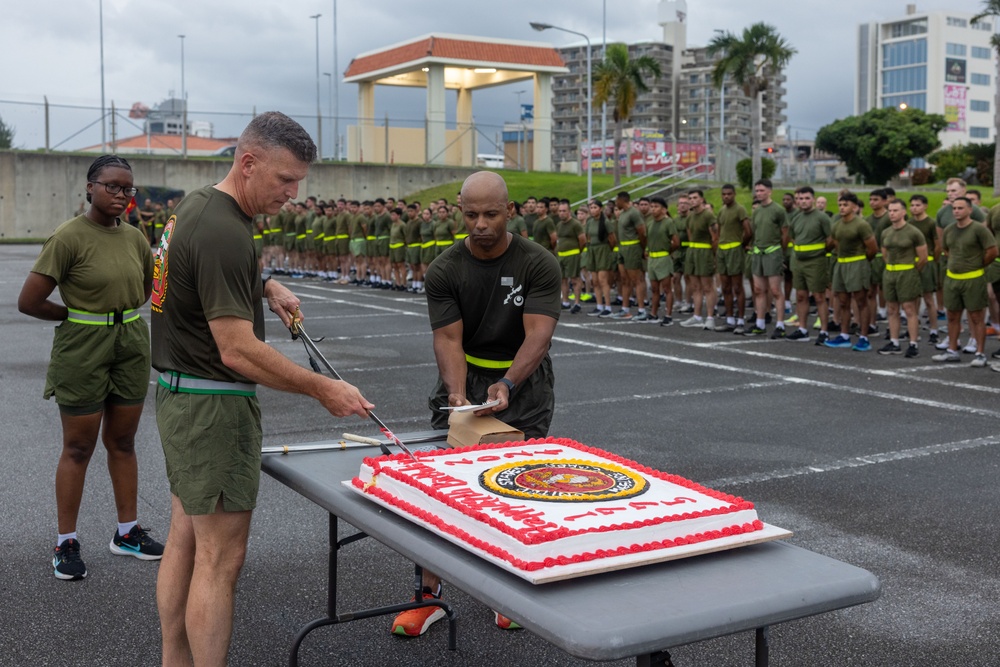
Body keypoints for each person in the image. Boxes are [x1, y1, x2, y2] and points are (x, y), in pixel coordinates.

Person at [150, 112, 372, 666]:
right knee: (220, 559)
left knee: (186, 537)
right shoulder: (226, 230)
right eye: (285, 180)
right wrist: (324, 388)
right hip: (212, 408)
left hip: (181, 394)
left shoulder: (199, 206)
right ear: (248, 163)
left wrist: (264, 283)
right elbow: (237, 349)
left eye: (298, 182)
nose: (292, 194)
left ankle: (174, 660)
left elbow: (199, 273)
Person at [393, 170, 561, 637]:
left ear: (510, 210)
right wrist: (457, 394)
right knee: (444, 489)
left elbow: (539, 335)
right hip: (466, 371)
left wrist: (507, 382)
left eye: (491, 214)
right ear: (459, 211)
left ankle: (509, 593)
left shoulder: (539, 262)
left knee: (519, 489)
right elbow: (447, 338)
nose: (481, 224)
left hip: (523, 381)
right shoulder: (446, 268)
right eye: (471, 215)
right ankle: (428, 596)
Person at [18, 155, 163, 581]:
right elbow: (29, 301)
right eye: (112, 186)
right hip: (83, 347)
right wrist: (71, 317)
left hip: (131, 343)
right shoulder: (68, 237)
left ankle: (127, 532)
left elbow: (145, 291)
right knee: (78, 448)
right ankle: (66, 541)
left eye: (128, 189)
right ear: (90, 187)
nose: (121, 195)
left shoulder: (136, 238)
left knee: (123, 441)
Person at [933, 196, 997, 367]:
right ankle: (952, 350)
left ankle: (980, 353)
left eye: (960, 208)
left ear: (970, 210)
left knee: (976, 317)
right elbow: (946, 249)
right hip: (953, 279)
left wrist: (977, 265)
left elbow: (992, 251)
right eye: (954, 208)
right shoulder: (949, 230)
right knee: (952, 316)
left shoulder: (979, 229)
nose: (956, 211)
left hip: (973, 278)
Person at [824, 193, 878, 351]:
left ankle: (863, 337)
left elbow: (872, 249)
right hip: (841, 264)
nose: (842, 208)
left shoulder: (861, 225)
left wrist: (861, 263)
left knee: (861, 301)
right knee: (843, 302)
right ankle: (844, 336)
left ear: (854, 207)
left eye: (845, 205)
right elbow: (833, 245)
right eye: (840, 205)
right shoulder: (836, 225)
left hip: (857, 264)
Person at [878, 199, 927, 358]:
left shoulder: (913, 232)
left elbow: (923, 258)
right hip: (890, 273)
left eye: (895, 210)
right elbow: (884, 254)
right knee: (892, 309)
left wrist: (911, 271)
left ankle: (913, 344)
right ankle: (894, 342)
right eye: (890, 211)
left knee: (909, 309)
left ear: (904, 212)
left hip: (907, 273)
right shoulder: (886, 232)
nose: (892, 213)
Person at [785, 186, 833, 344]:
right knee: (800, 296)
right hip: (799, 262)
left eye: (807, 198)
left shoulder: (822, 217)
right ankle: (803, 329)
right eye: (800, 198)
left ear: (813, 199)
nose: (803, 201)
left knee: (819, 297)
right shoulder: (796, 217)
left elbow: (830, 240)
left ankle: (824, 331)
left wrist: (817, 252)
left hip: (816, 262)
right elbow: (792, 237)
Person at [745, 179, 789, 337]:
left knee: (776, 290)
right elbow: (755, 232)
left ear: (770, 191)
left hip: (773, 252)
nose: (759, 193)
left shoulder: (778, 210)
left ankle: (780, 325)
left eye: (762, 190)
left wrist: (780, 254)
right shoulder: (756, 211)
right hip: (758, 253)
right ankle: (760, 323)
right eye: (757, 191)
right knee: (758, 290)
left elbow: (785, 234)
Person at [713, 184, 750, 333]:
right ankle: (729, 320)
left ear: (734, 194)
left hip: (735, 250)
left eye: (729, 194)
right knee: (725, 287)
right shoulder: (721, 211)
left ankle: (740, 320)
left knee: (737, 287)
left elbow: (748, 231)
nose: (726, 196)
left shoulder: (740, 209)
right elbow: (720, 232)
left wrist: (741, 245)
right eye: (724, 194)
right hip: (722, 250)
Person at [679, 189, 718, 329]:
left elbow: (714, 237)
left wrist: (712, 256)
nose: (692, 200)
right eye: (690, 198)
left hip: (705, 251)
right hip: (692, 251)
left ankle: (710, 317)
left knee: (707, 286)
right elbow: (690, 235)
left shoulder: (708, 215)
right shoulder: (690, 216)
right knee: (695, 286)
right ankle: (696, 316)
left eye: (695, 197)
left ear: (702, 199)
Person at [613, 191, 649, 321]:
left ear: (622, 200)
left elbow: (642, 232)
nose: (616, 203)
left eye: (617, 200)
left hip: (632, 247)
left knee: (637, 279)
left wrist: (642, 248)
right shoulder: (623, 214)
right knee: (625, 280)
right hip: (623, 247)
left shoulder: (634, 213)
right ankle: (625, 309)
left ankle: (641, 310)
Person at [645, 197, 679, 325]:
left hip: (663, 257)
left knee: (666, 289)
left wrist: (667, 251)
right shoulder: (649, 223)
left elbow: (676, 242)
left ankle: (668, 315)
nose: (653, 209)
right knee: (654, 289)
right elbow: (649, 240)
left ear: (664, 209)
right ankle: (653, 313)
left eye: (656, 207)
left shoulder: (668, 222)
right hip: (652, 258)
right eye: (652, 206)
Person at [555, 200, 586, 313]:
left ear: (569, 211)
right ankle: (566, 302)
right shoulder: (559, 225)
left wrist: (577, 252)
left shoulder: (575, 224)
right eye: (560, 211)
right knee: (563, 280)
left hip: (572, 255)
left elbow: (583, 240)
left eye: (564, 211)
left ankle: (577, 303)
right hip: (561, 256)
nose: (561, 213)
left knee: (574, 279)